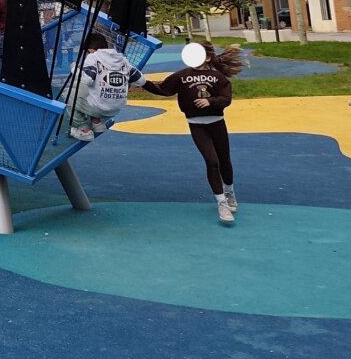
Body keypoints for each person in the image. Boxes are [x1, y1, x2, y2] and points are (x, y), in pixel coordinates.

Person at [142, 41, 245, 224]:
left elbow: (226, 99)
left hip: (217, 124)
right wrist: (141, 81)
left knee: (224, 161)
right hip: (197, 125)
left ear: (207, 57)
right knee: (212, 162)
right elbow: (162, 89)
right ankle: (221, 202)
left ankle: (229, 192)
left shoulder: (218, 76)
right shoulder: (181, 76)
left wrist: (211, 102)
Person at [67, 33, 147, 142]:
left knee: (68, 94)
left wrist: (74, 68)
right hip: (116, 109)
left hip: (99, 107)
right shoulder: (122, 59)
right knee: (89, 90)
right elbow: (141, 81)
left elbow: (87, 79)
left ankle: (84, 130)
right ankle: (97, 122)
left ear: (90, 50)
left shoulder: (93, 57)